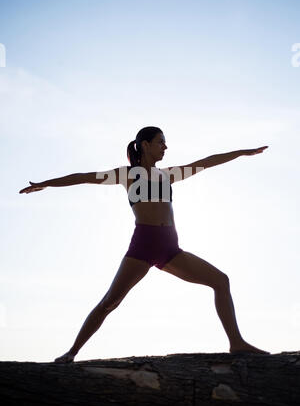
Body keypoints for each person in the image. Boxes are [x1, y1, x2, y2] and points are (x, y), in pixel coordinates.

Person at [19, 126, 270, 363]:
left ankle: (236, 343)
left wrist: (241, 153)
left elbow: (206, 162)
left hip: (171, 250)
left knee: (220, 280)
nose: (165, 146)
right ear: (145, 144)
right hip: (143, 246)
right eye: (161, 141)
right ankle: (71, 353)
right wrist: (47, 183)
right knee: (110, 301)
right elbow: (83, 177)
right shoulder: (126, 175)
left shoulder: (168, 175)